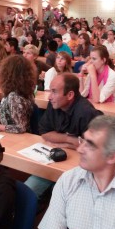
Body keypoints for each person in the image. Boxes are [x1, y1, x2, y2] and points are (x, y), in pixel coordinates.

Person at [25, 73, 102, 202]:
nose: (49, 97)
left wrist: (61, 141)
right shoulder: (55, 104)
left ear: (70, 95)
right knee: (27, 190)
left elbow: (91, 147)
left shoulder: (86, 113)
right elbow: (44, 132)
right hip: (54, 162)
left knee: (60, 197)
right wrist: (69, 140)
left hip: (81, 170)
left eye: (54, 92)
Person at [0, 55, 35, 133]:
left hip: (13, 136)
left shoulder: (14, 96)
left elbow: (20, 128)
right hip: (6, 133)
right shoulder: (20, 91)